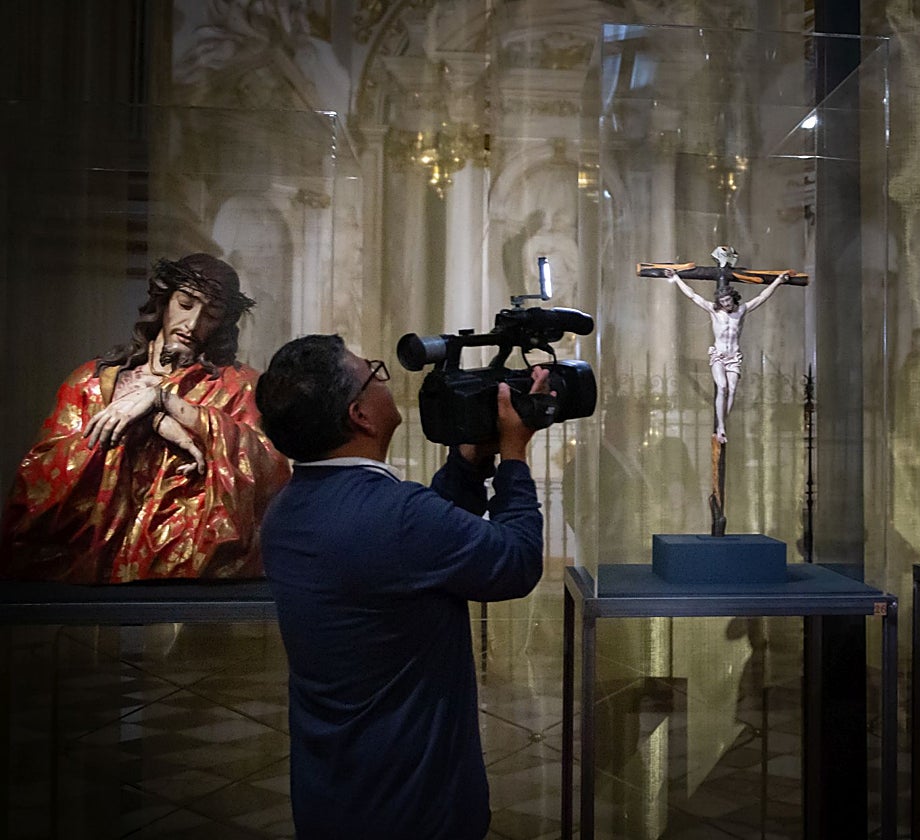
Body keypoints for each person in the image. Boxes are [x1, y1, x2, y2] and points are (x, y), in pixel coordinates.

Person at [253, 334, 549, 840]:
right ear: (360, 416)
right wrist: (515, 458)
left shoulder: (288, 509)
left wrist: (469, 463)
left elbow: (407, 556)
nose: (383, 377)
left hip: (334, 792)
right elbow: (516, 562)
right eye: (373, 373)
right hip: (414, 804)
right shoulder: (397, 516)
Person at [1, 254, 290, 582]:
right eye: (185, 303)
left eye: (210, 314)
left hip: (192, 582)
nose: (192, 324)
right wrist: (140, 424)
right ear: (164, 300)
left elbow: (271, 471)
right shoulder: (93, 384)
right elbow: (39, 484)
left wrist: (170, 404)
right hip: (89, 584)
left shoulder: (240, 388)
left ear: (223, 323)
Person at [665, 265, 789, 443]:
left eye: (728, 301)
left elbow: (762, 297)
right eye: (723, 302)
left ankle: (723, 425)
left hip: (734, 357)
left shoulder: (741, 311)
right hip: (719, 355)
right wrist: (676, 278)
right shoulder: (714, 311)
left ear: (733, 298)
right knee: (722, 387)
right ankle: (721, 427)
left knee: (731, 391)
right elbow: (692, 295)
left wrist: (778, 281)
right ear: (720, 302)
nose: (726, 304)